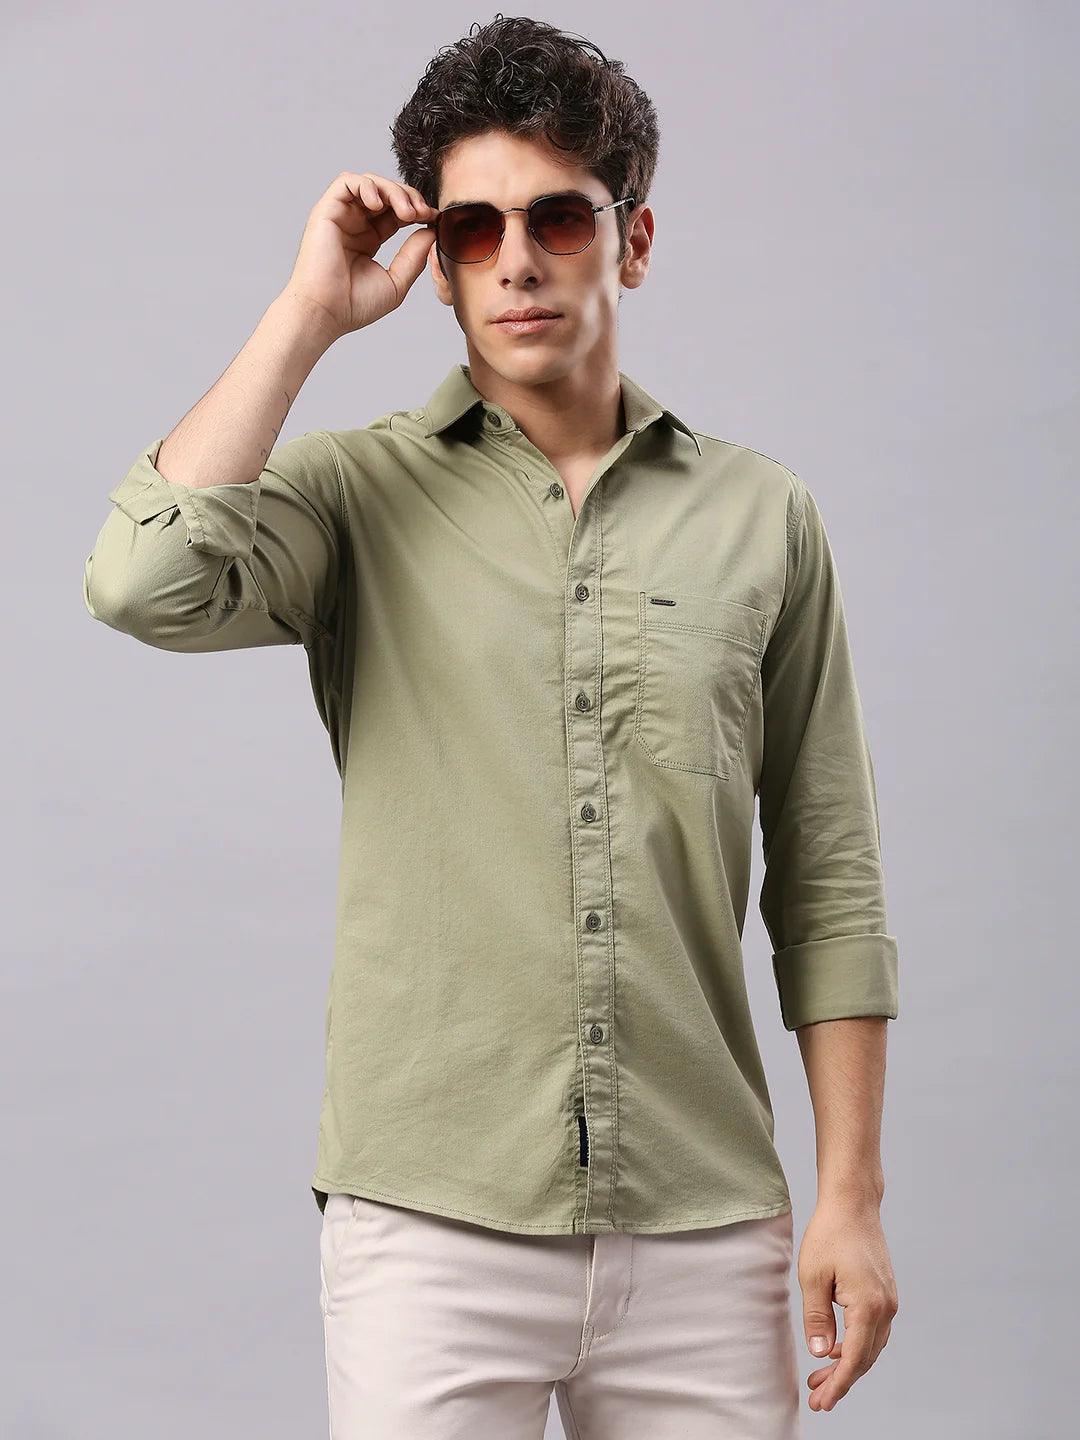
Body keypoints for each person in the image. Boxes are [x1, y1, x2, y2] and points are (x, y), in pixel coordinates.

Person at [83, 13, 900, 1438]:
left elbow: (828, 876)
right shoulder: (351, 496)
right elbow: (142, 581)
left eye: (559, 217)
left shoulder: (764, 516)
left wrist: (852, 1197)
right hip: (431, 1227)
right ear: (442, 259)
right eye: (472, 228)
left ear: (633, 239)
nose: (516, 261)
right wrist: (308, 314)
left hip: (705, 1227)